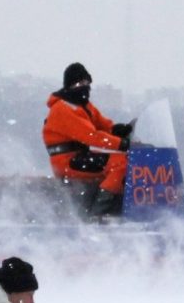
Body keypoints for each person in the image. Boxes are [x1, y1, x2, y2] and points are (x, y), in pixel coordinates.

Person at [42, 62, 134, 217]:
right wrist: (123, 144)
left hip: (79, 156)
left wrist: (123, 130)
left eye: (86, 83)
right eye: (79, 83)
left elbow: (103, 125)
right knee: (121, 164)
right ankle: (98, 214)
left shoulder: (83, 105)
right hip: (67, 161)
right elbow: (92, 136)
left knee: (122, 160)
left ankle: (117, 206)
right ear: (70, 86)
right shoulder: (63, 109)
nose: (84, 87)